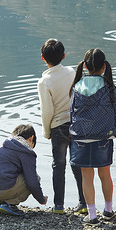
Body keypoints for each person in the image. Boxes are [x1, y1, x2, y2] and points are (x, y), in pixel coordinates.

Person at [69, 48, 116, 225]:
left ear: (85, 66)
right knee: (105, 174)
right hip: (103, 138)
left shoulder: (77, 86)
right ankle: (108, 211)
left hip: (81, 138)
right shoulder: (109, 86)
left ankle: (92, 215)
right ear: (103, 67)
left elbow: (71, 114)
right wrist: (111, 130)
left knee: (87, 176)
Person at [37, 38, 86, 214]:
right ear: (64, 56)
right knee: (77, 164)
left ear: (43, 58)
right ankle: (84, 203)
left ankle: (58, 206)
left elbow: (46, 111)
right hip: (76, 124)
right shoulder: (72, 72)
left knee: (59, 165)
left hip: (58, 127)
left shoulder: (44, 82)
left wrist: (46, 131)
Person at [0, 124, 48, 216]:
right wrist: (42, 199)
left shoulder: (1, 144)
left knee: (6, 173)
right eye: (32, 145)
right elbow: (32, 182)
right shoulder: (26, 150)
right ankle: (9, 205)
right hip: (0, 189)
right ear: (31, 138)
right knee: (35, 177)